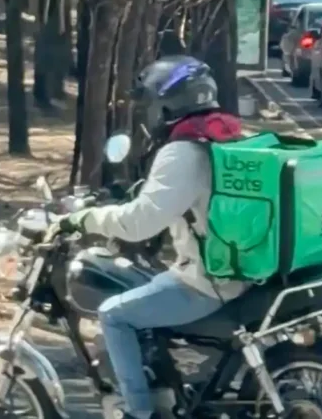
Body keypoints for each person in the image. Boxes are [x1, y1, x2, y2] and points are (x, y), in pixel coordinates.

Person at [54, 55, 246, 419]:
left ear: (168, 104)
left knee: (113, 314)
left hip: (209, 283)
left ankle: (137, 411)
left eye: (152, 104)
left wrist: (83, 220)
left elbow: (140, 224)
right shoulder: (223, 135)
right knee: (148, 284)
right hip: (238, 269)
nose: (148, 114)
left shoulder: (183, 151)